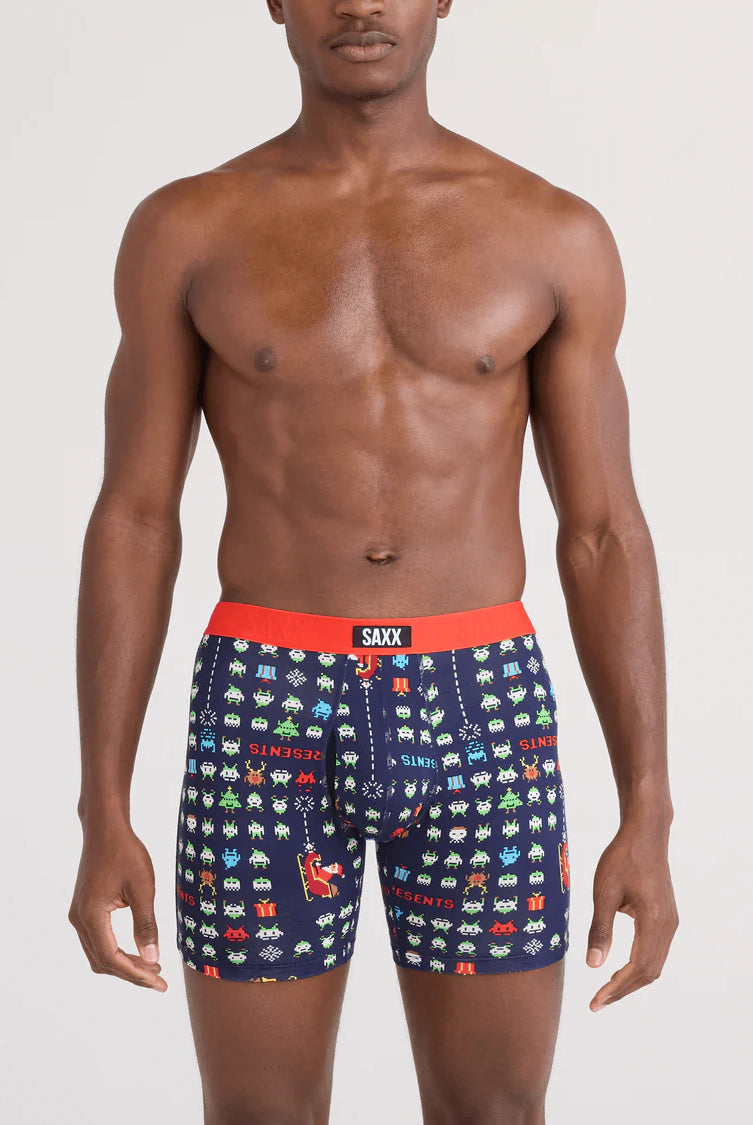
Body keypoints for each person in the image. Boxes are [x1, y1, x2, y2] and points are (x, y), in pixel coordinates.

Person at [68, 2, 679, 1121]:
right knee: (257, 1114)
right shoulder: (188, 228)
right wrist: (100, 804)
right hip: (266, 695)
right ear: (274, 0)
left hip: (480, 697)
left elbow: (601, 531)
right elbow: (137, 518)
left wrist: (650, 808)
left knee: (494, 1110)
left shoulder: (552, 233)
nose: (360, 4)